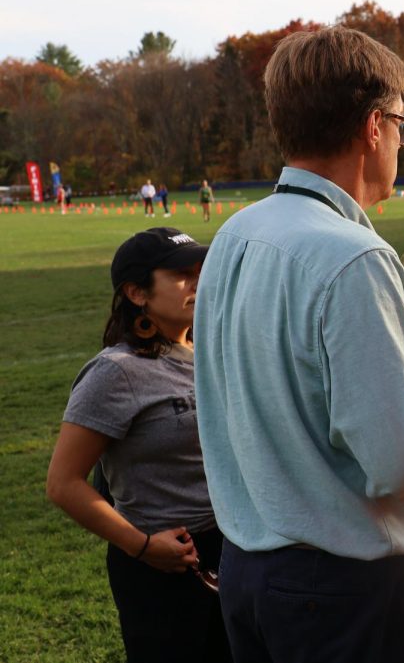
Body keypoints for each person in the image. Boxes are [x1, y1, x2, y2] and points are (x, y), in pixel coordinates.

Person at [193, 26, 404, 663]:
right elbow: (398, 460)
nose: (402, 145)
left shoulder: (235, 236)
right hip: (344, 589)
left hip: (248, 571)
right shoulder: (355, 256)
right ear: (373, 127)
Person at [46, 227, 231, 663]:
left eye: (200, 271)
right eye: (182, 275)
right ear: (136, 293)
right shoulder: (117, 372)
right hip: (164, 563)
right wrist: (143, 547)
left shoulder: (213, 349)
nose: (198, 282)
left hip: (233, 549)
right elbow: (63, 483)